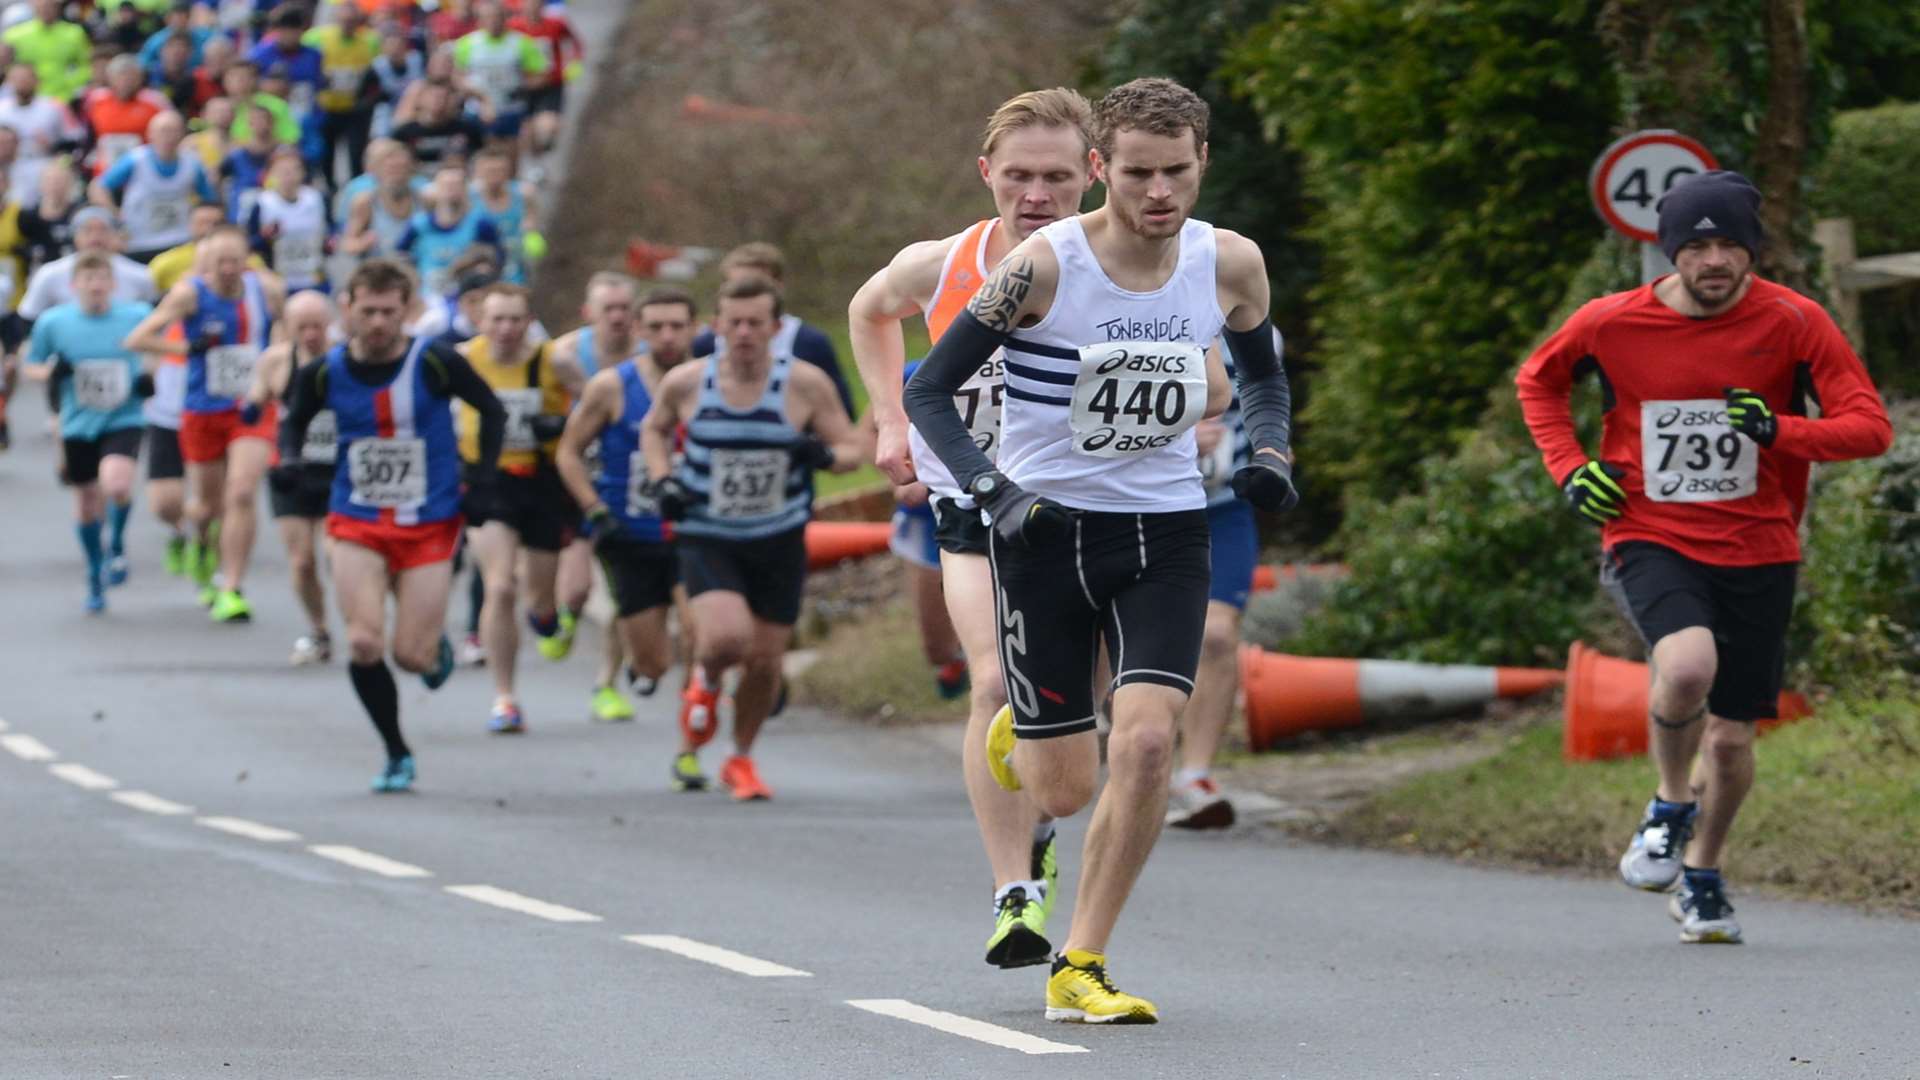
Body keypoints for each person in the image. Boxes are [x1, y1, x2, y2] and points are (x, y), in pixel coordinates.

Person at [903, 77, 1298, 1024]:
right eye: (1136, 174)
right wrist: (995, 492)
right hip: (1045, 536)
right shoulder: (1042, 267)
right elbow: (930, 393)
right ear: (1101, 171)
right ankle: (1027, 741)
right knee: (1065, 793)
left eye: (1175, 172)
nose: (1158, 193)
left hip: (1166, 532)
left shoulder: (1230, 262)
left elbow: (1263, 374)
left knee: (1151, 742)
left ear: (1203, 162)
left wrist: (1273, 450)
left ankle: (1082, 958)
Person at [1515, 170, 1891, 945]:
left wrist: (1782, 431)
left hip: (1761, 542)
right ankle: (1666, 805)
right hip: (1649, 530)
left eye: (1729, 244)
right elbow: (1538, 384)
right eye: (1696, 245)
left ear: (1752, 250)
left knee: (1730, 737)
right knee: (1686, 667)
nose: (1714, 260)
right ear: (1669, 253)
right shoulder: (1611, 322)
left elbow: (1869, 427)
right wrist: (1571, 468)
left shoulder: (1794, 320)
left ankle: (1705, 875)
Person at [849, 87, 1098, 969]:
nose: (1036, 194)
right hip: (972, 506)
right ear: (988, 173)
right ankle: (1013, 896)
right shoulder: (942, 262)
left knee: (1079, 704)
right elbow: (868, 311)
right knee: (994, 681)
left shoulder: (1126, 265)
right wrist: (889, 421)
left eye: (1057, 177)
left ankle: (1042, 820)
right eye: (1020, 175)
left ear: (1092, 175)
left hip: (1088, 514)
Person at [278, 256, 506, 791]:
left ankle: (433, 648)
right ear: (348, 309)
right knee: (362, 643)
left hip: (430, 523)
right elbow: (293, 419)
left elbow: (490, 410)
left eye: (389, 312)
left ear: (406, 310)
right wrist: (289, 460)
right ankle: (396, 751)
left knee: (411, 656)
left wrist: (482, 480)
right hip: (356, 519)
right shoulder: (325, 371)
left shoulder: (436, 362)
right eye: (369, 311)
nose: (379, 323)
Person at [641, 275, 863, 798]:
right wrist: (662, 479)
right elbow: (653, 428)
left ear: (775, 327)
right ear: (716, 326)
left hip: (778, 536)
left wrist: (824, 455)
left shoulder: (805, 384)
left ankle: (739, 757)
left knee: (765, 661)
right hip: (707, 531)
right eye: (732, 322)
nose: (742, 333)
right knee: (723, 639)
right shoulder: (689, 382)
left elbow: (852, 446)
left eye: (754, 323)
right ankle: (708, 682)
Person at [123, 224, 286, 618]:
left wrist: (276, 376)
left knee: (243, 492)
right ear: (206, 263)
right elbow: (138, 338)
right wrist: (186, 347)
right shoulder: (190, 293)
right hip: (203, 409)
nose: (228, 269)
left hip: (251, 405)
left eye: (235, 261)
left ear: (248, 258)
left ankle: (232, 586)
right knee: (207, 506)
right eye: (219, 262)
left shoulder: (266, 290)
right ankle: (199, 541)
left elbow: (284, 334)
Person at [553, 282, 686, 734]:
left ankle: (697, 736)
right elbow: (568, 453)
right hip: (628, 530)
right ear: (638, 330)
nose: (667, 336)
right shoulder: (611, 386)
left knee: (705, 634)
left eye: (677, 326)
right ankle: (641, 668)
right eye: (656, 327)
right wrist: (594, 510)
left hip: (695, 532)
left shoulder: (711, 380)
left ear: (696, 329)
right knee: (654, 663)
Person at [457, 281, 582, 732]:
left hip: (543, 483)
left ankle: (547, 616)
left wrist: (566, 425)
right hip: (488, 483)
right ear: (480, 321)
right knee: (501, 585)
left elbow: (596, 408)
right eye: (497, 319)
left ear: (530, 322)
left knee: (538, 598)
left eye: (515, 319)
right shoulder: (461, 361)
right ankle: (504, 698)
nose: (506, 329)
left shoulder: (555, 362)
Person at [22, 251, 155, 610]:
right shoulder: (54, 322)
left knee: (117, 484)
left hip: (123, 417)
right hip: (78, 421)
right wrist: (52, 372)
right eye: (88, 279)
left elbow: (160, 346)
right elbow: (29, 366)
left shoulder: (135, 317)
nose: (96, 286)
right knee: (86, 501)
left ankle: (116, 546)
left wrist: (149, 375)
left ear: (113, 284)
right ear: (74, 285)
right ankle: (95, 572)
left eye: (102, 279)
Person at [248, 288, 336, 664]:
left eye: (318, 326)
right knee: (301, 562)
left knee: (337, 556)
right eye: (303, 327)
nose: (311, 335)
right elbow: (254, 404)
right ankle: (318, 630)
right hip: (292, 470)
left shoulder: (346, 360)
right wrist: (249, 410)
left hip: (337, 468)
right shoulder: (275, 361)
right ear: (288, 327)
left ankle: (364, 624)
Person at [695, 241, 854, 417]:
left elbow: (842, 412)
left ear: (779, 287)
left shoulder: (809, 342)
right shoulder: (705, 344)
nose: (746, 294)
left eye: (757, 286)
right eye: (737, 285)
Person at [89, 109, 217, 262]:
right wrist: (116, 217)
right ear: (151, 134)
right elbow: (98, 187)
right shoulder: (135, 160)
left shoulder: (193, 164)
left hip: (179, 241)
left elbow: (210, 202)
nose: (169, 137)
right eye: (163, 131)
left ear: (183, 134)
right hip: (138, 241)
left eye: (174, 131)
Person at [17, 205, 155, 320]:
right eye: (87, 230)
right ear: (75, 236)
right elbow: (29, 316)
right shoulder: (49, 273)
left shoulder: (140, 274)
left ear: (114, 235)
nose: (95, 238)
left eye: (103, 230)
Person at [303, 0, 380, 185]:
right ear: (336, 19)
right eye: (344, 20)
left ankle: (357, 187)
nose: (348, 25)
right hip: (326, 106)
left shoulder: (369, 41)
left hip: (354, 107)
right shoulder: (316, 37)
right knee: (326, 154)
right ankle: (329, 188)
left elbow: (373, 74)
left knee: (356, 153)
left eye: (352, 21)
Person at [396, 161, 497, 298]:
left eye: (457, 185)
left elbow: (496, 257)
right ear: (435, 188)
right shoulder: (418, 224)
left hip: (467, 297)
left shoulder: (480, 223)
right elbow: (400, 256)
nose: (451, 190)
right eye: (446, 185)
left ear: (466, 189)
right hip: (428, 297)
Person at [450, 1, 543, 147]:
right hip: (477, 110)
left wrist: (521, 86)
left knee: (509, 159)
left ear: (505, 18)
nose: (492, 22)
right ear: (479, 20)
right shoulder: (466, 44)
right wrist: (477, 95)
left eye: (496, 17)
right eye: (487, 17)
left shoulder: (522, 42)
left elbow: (540, 75)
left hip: (511, 108)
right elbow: (456, 76)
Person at [245, 146, 328, 293]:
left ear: (303, 172)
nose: (289, 176)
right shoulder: (263, 203)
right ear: (271, 174)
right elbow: (249, 245)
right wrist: (265, 237)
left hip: (313, 278)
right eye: (283, 171)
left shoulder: (315, 199)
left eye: (295, 169)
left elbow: (329, 232)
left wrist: (329, 242)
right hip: (278, 282)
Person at [0, 62, 83, 203]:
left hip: (45, 164)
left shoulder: (53, 106)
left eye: (26, 78)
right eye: (17, 78)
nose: (22, 82)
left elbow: (75, 140)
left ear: (36, 80)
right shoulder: (2, 109)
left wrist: (54, 146)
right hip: (8, 168)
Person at [81, 54, 169, 175]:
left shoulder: (154, 101)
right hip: (105, 169)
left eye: (131, 76)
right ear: (110, 78)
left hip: (144, 171)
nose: (125, 82)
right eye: (120, 76)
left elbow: (170, 130)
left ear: (140, 78)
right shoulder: (96, 100)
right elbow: (88, 136)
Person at [467, 144, 535, 282]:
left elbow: (534, 242)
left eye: (500, 170)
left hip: (514, 269)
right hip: (477, 269)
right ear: (478, 171)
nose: (495, 176)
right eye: (490, 171)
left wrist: (530, 236)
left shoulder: (523, 195)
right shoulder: (468, 197)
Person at [388, 77, 483, 174]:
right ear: (421, 99)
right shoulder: (404, 133)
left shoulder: (467, 129)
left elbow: (480, 158)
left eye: (445, 97)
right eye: (434, 96)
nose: (439, 101)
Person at [247, 4, 324, 123]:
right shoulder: (259, 55)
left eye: (294, 31)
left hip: (306, 114)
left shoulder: (314, 55)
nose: (289, 36)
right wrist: (265, 86)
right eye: (284, 31)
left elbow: (319, 86)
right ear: (276, 31)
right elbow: (246, 85)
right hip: (271, 119)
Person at [3, 0, 90, 105]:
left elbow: (86, 65)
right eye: (41, 5)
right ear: (33, 6)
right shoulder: (14, 36)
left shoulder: (74, 33)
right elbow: (5, 65)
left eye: (49, 5)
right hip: (28, 99)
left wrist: (71, 84)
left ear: (57, 7)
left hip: (65, 97)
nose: (46, 10)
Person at [341, 137, 415, 258]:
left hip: (414, 273)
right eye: (391, 169)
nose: (397, 174)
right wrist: (362, 243)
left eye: (401, 168)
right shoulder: (365, 202)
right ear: (376, 171)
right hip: (380, 272)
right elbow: (347, 244)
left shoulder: (424, 198)